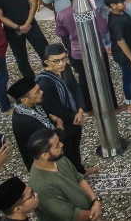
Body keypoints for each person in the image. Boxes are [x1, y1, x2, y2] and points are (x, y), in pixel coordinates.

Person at [35, 45, 91, 174]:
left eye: (64, 59)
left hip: (75, 116)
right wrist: (75, 117)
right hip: (63, 123)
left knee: (75, 148)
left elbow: (76, 88)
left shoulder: (65, 70)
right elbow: (55, 108)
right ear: (46, 61)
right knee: (66, 152)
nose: (61, 64)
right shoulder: (45, 82)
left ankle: (80, 171)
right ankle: (72, 177)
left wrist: (80, 110)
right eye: (56, 61)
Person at [26, 130, 100, 221]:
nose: (61, 145)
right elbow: (72, 216)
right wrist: (95, 214)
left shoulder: (58, 159)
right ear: (45, 155)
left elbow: (79, 178)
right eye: (57, 145)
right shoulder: (42, 186)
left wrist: (95, 202)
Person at [104, 0, 131, 116]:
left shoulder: (121, 13)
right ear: (113, 5)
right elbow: (121, 42)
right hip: (124, 56)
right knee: (127, 79)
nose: (124, 4)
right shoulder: (115, 22)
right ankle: (130, 105)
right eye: (121, 3)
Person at [8, 78, 62, 170]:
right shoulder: (27, 121)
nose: (41, 92)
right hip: (45, 164)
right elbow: (53, 140)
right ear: (24, 100)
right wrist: (59, 123)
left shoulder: (34, 104)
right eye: (37, 92)